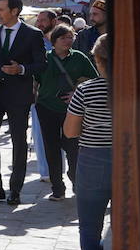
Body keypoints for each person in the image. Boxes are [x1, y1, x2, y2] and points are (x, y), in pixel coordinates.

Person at [0, 0, 46, 205]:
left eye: (1, 9)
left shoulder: (33, 34)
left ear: (14, 11)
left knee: (19, 140)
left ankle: (15, 189)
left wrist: (21, 69)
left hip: (18, 94)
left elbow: (42, 64)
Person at [64, 34, 112, 250]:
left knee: (90, 227)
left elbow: (70, 131)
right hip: (129, 160)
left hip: (93, 160)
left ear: (98, 60)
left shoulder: (87, 90)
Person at [36, 23, 96, 200]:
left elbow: (94, 80)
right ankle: (57, 187)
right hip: (47, 108)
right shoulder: (44, 58)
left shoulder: (79, 58)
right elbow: (35, 78)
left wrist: (76, 92)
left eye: (70, 37)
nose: (68, 41)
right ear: (54, 41)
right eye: (63, 38)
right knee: (51, 148)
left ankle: (76, 180)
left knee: (73, 147)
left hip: (73, 110)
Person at [30, 11, 58, 184]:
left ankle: (59, 169)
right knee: (39, 135)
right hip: (39, 96)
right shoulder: (34, 42)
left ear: (53, 21)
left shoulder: (64, 40)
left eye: (43, 20)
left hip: (61, 96)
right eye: (38, 21)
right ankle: (46, 171)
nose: (39, 23)